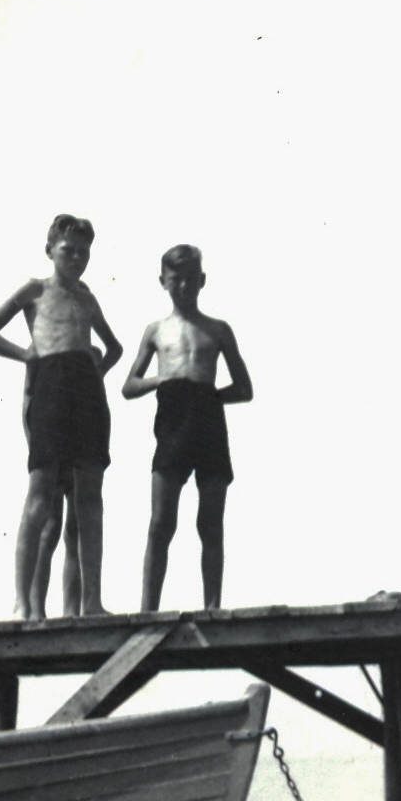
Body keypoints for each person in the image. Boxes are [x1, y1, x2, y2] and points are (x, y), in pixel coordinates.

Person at [0, 214, 122, 619]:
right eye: (68, 250)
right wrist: (26, 354)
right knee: (40, 493)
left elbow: (114, 347)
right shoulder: (34, 290)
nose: (76, 257)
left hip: (87, 392)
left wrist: (96, 370)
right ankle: (23, 603)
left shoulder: (88, 297)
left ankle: (91, 602)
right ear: (50, 250)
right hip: (50, 385)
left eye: (83, 252)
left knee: (89, 498)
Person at [122, 245, 253, 611]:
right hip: (172, 420)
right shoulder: (156, 331)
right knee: (161, 521)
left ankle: (212, 607)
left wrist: (207, 397)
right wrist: (163, 380)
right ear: (163, 281)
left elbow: (245, 389)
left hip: (209, 421)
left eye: (191, 279)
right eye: (176, 279)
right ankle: (148, 610)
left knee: (210, 522)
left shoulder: (218, 329)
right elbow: (129, 386)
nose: (183, 286)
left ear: (202, 281)